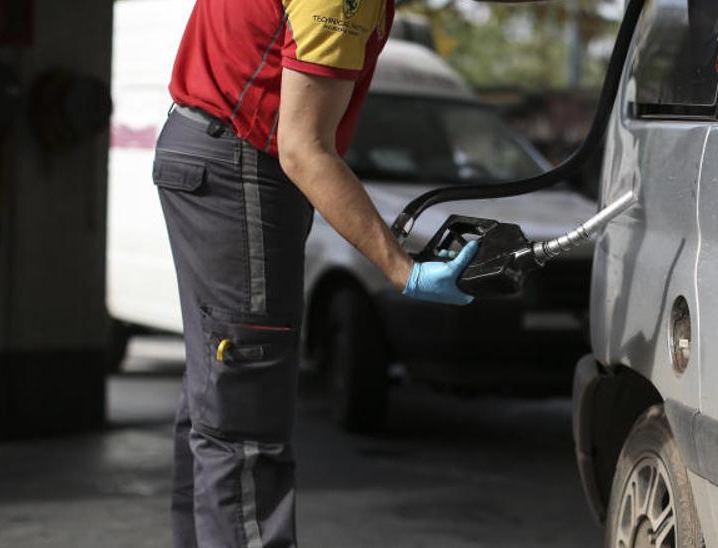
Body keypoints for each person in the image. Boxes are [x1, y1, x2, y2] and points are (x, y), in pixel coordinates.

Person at [153, 0, 492, 545]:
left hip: (207, 148)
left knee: (215, 397)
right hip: (243, 165)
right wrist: (401, 268)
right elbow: (303, 147)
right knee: (243, 412)